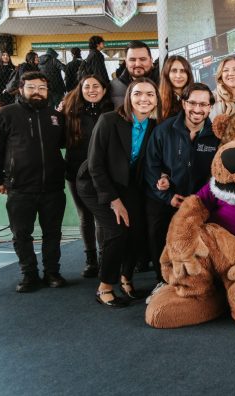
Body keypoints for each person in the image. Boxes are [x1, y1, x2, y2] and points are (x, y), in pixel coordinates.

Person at [76, 77, 160, 307]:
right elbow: (95, 164)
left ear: (156, 100)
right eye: (138, 94)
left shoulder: (153, 127)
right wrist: (114, 200)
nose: (144, 99)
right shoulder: (109, 120)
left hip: (127, 185)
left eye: (150, 94)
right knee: (116, 231)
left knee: (136, 230)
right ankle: (104, 287)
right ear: (129, 97)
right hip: (95, 184)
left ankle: (126, 279)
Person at [0, 72, 67, 292]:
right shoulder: (5, 114)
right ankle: (29, 275)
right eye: (31, 87)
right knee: (21, 234)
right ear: (21, 89)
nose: (37, 92)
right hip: (19, 188)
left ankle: (52, 273)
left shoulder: (56, 116)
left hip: (53, 188)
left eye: (42, 88)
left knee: (53, 233)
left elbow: (65, 143)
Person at [144, 83, 218, 298]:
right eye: (192, 103)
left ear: (210, 107)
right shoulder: (164, 130)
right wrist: (166, 196)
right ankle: (162, 281)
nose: (197, 109)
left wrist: (198, 201)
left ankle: (195, 286)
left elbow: (217, 173)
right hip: (165, 200)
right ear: (184, 103)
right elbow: (151, 166)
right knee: (159, 237)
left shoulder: (216, 136)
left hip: (199, 202)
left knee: (197, 245)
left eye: (203, 104)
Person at [63, 74, 114, 278]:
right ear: (80, 90)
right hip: (76, 172)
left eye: (96, 86)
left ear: (103, 89)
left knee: (102, 216)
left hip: (102, 174)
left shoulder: (111, 112)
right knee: (85, 216)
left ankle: (103, 258)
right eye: (87, 87)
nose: (92, 90)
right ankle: (90, 259)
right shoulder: (70, 112)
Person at [110, 40, 159, 108]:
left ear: (151, 61)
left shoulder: (163, 85)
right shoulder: (113, 87)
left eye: (142, 59)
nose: (138, 64)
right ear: (126, 63)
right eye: (132, 60)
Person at [158, 55, 194, 122]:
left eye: (183, 71)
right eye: (174, 71)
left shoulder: (196, 96)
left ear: (188, 74)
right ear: (167, 74)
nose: (178, 76)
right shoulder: (157, 100)